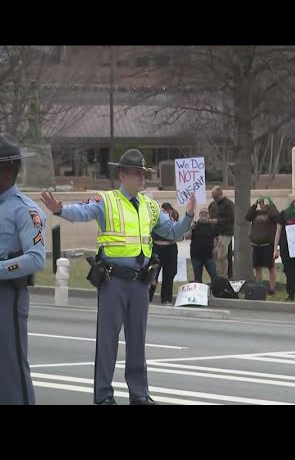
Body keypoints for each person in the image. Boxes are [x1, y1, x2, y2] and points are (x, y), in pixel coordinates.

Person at [41, 149, 196, 405]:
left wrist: (188, 214)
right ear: (123, 175)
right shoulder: (107, 201)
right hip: (114, 280)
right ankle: (103, 396)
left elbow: (173, 232)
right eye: (137, 174)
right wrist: (60, 210)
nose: (142, 179)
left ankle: (139, 393)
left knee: (137, 340)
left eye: (144, 174)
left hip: (140, 282)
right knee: (108, 341)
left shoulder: (150, 207)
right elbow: (82, 211)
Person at [0, 133, 47, 405]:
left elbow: (36, 258)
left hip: (8, 297)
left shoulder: (26, 210)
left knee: (12, 368)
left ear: (8, 171)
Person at [246, 196, 279, 295]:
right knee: (257, 267)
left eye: (263, 203)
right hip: (256, 245)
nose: (262, 205)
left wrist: (270, 206)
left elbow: (277, 216)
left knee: (271, 267)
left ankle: (272, 288)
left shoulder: (271, 213)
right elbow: (248, 216)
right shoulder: (256, 213)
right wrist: (254, 205)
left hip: (267, 245)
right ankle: (258, 286)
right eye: (260, 204)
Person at [148, 202, 179, 304]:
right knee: (153, 273)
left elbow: (178, 231)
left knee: (169, 275)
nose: (165, 212)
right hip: (157, 247)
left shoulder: (174, 217)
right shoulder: (156, 217)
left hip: (171, 248)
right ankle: (148, 297)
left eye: (167, 210)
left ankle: (166, 299)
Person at [208, 186, 235, 278]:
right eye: (213, 197)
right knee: (215, 255)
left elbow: (232, 218)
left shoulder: (229, 204)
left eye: (216, 197)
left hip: (225, 232)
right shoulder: (212, 204)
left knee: (222, 255)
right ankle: (218, 273)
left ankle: (224, 275)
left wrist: (218, 221)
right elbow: (210, 214)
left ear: (220, 194)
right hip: (215, 232)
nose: (215, 199)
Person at [186, 208, 217, 284]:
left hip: (209, 256)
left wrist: (216, 248)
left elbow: (216, 238)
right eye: (202, 212)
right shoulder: (195, 225)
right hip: (196, 256)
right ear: (199, 215)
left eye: (206, 212)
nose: (204, 214)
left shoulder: (212, 225)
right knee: (197, 278)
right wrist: (190, 228)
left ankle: (215, 292)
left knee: (214, 275)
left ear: (209, 215)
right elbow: (186, 237)